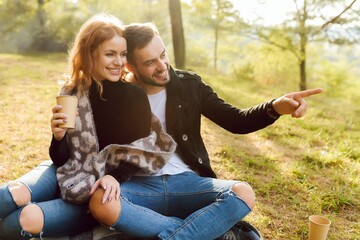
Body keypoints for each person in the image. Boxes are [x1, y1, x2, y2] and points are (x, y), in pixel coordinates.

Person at [87, 22, 323, 240]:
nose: (162, 67)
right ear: (131, 66)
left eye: (163, 55)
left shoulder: (189, 85)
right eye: (150, 62)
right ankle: (205, 231)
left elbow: (236, 121)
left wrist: (274, 107)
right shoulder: (116, 94)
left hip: (188, 183)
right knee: (101, 203)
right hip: (139, 185)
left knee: (243, 193)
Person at [0, 13, 154, 239]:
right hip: (66, 169)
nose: (118, 62)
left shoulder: (134, 96)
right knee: (12, 195)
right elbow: (59, 159)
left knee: (26, 219)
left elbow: (143, 151)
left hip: (94, 192)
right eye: (110, 54)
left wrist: (117, 176)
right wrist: (59, 136)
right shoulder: (72, 92)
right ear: (90, 54)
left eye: (122, 54)